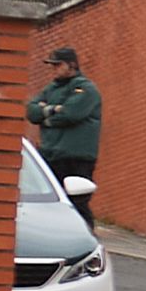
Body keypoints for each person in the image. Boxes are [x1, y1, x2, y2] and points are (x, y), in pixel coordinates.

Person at [26, 48, 101, 187]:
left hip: (76, 159)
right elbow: (31, 111)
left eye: (58, 65)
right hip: (49, 156)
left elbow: (70, 114)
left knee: (76, 197)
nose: (54, 69)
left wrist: (45, 117)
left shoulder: (85, 88)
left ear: (71, 65)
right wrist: (54, 109)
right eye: (52, 65)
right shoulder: (50, 89)